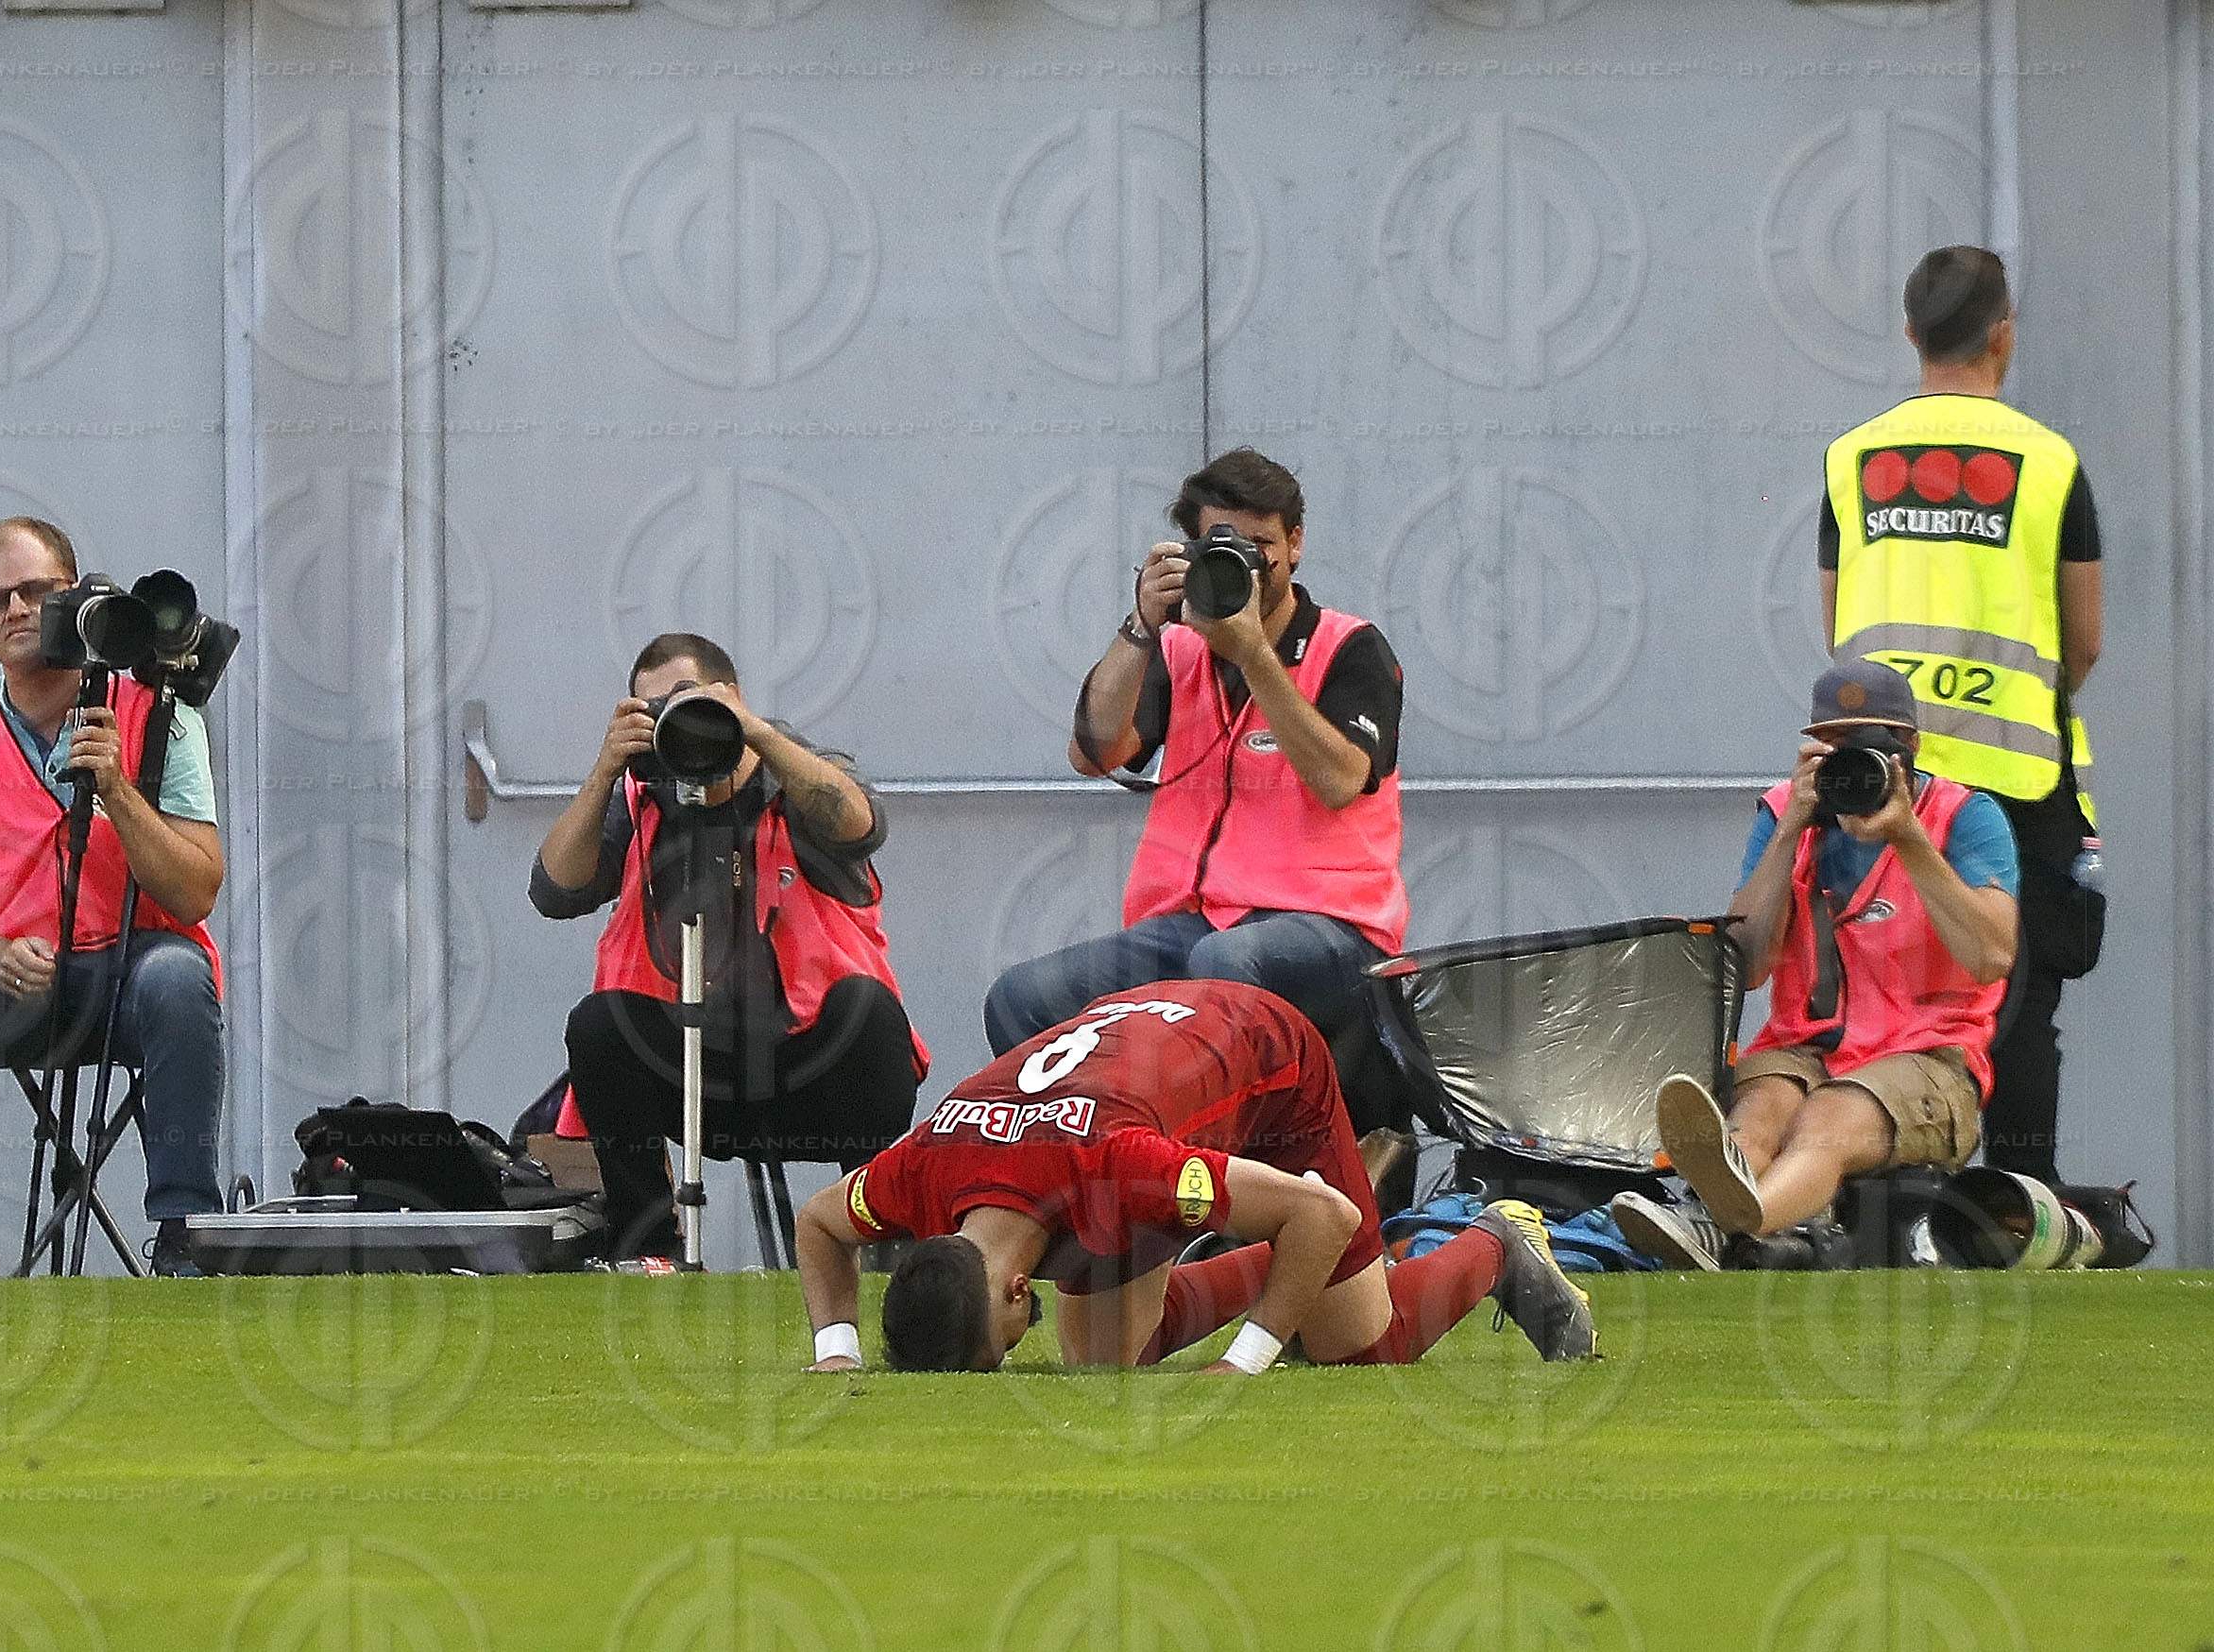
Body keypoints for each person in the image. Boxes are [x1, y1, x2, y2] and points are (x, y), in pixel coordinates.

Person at [793, 979, 1593, 1373]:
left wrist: (1239, 1363)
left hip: (1271, 1059)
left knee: (1360, 1346)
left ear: (1011, 1291)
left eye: (998, 1350)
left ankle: (1496, 1241)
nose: (1011, 1352)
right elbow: (820, 1222)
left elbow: (1325, 1216)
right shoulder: (922, 1165)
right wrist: (837, 1351)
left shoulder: (1122, 1163)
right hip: (1146, 1037)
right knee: (1105, 1360)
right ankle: (1291, 1277)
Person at [1817, 245, 2103, 1185]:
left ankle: (1856, 1203)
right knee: (2020, 999)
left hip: (1880, 769)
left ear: (1911, 334)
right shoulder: (2051, 463)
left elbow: (1837, 630)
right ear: (2003, 332)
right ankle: (2017, 1203)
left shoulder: (1853, 458)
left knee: (1864, 981)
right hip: (2018, 782)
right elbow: (2085, 639)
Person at [981, 449, 1408, 1069]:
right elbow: (1094, 751)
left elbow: (1341, 780)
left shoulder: (1350, 646)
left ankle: (1224, 1152)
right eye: (1223, 546)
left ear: (1295, 544)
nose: (1249, 565)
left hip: (1332, 930)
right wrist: (1141, 622)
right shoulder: (1180, 648)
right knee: (1022, 998)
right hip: (1193, 923)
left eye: (1262, 544)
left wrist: (1256, 656)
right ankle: (1112, 1153)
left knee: (1224, 964)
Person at [0, 517, 226, 1279]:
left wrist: (120, 793)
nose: (17, 610)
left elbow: (197, 888)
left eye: (35, 591)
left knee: (179, 974)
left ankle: (186, 1229)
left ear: (75, 595)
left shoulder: (158, 712)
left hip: (133, 978)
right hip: (20, 982)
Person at [533, 633, 926, 1258]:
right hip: (698, 1077)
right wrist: (606, 769)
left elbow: (862, 824)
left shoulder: (797, 772)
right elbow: (554, 889)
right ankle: (650, 1251)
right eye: (654, 712)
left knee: (869, 1010)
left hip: (816, 1073)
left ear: (732, 697)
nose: (674, 723)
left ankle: (883, 1234)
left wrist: (755, 735)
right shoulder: (641, 800)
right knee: (599, 1024)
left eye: (686, 703)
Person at [1622, 662, 2018, 1269]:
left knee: (1826, 1122)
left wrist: (1909, 839)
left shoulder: (1963, 816)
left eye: (1871, 746)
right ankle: (1718, 1223)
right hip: (1805, 1046)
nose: (1850, 762)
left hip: (1930, 1058)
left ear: (1910, 748)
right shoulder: (1786, 813)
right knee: (1757, 1118)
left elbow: (1992, 957)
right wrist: (1788, 833)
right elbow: (1748, 966)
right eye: (1833, 745)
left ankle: (1721, 1228)